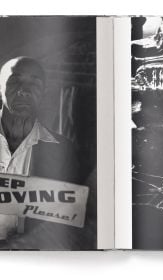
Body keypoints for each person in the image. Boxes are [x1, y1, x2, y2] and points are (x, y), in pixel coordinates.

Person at [0, 56, 93, 250]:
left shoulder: (65, 152)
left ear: (44, 93)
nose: (24, 90)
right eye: (14, 80)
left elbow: (75, 218)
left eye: (34, 83)